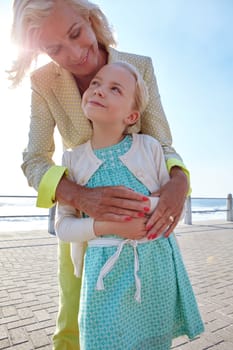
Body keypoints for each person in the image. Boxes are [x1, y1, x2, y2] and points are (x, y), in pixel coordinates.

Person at [9, 0, 190, 348]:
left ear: (91, 19)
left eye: (77, 34)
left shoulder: (139, 67)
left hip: (141, 232)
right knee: (72, 325)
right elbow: (34, 159)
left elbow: (163, 143)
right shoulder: (43, 82)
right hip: (82, 225)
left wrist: (179, 183)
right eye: (54, 48)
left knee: (149, 324)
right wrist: (81, 197)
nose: (75, 54)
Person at [55, 61, 204, 350]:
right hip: (102, 279)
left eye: (114, 89)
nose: (99, 91)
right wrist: (109, 225)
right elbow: (63, 228)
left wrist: (159, 204)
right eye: (96, 83)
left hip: (154, 267)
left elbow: (166, 205)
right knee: (100, 342)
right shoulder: (72, 161)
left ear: (132, 115)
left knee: (152, 343)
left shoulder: (149, 148)